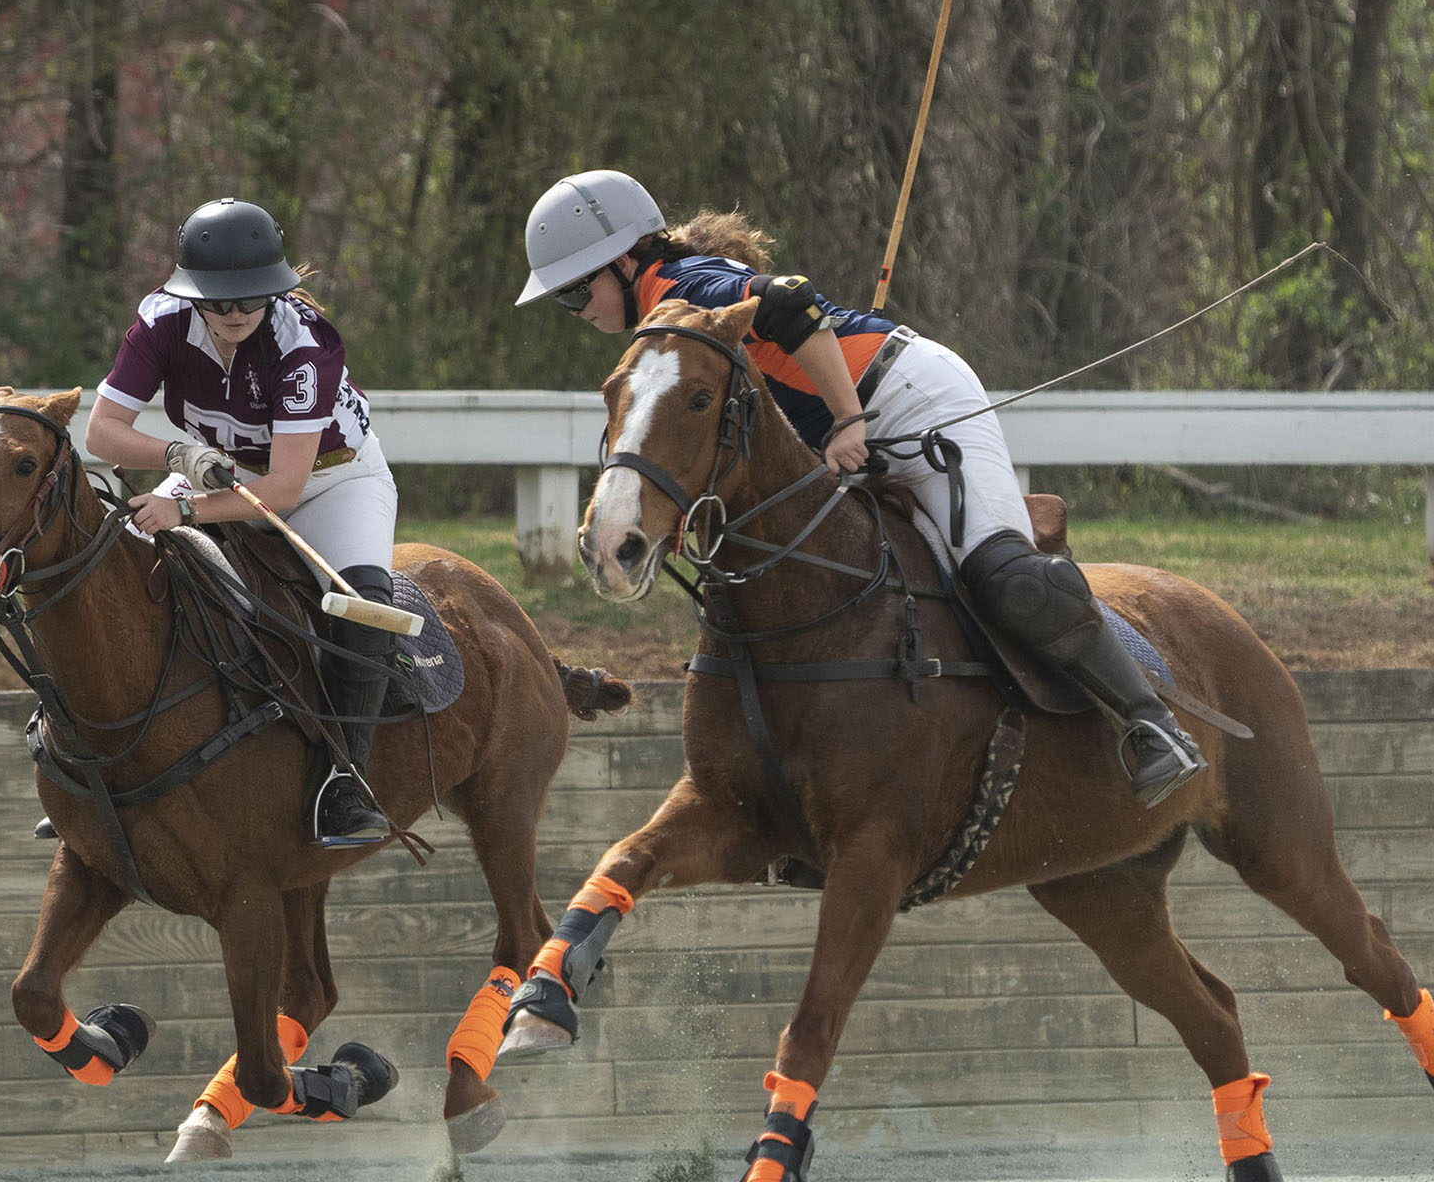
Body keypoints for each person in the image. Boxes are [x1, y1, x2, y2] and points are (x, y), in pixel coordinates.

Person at [513, 169, 1204, 806]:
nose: (577, 309)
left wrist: (847, 416)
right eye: (563, 300)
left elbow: (790, 300)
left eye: (577, 290)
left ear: (627, 260)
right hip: (842, 420)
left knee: (1001, 572)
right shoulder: (664, 320)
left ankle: (1151, 723)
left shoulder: (685, 288)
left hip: (911, 396)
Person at [85, 198, 397, 847]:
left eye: (249, 296)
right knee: (115, 559)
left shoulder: (303, 342)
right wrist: (176, 454)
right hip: (214, 469)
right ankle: (92, 759)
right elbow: (102, 431)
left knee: (363, 601)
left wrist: (184, 508)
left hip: (329, 481)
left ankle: (347, 783)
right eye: (218, 299)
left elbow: (281, 489)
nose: (234, 312)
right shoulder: (160, 320)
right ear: (190, 295)